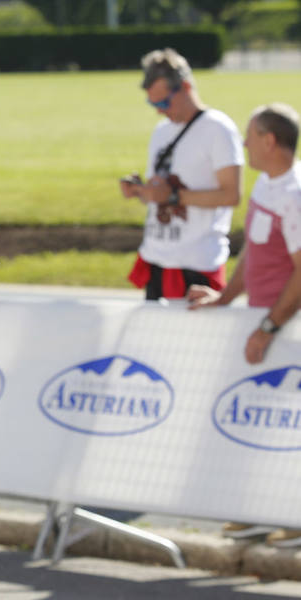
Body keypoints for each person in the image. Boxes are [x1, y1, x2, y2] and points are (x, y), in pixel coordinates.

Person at [187, 103, 301, 547]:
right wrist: (225, 298)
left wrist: (269, 327)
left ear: (270, 141)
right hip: (265, 321)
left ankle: (294, 517)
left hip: (285, 329)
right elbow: (253, 253)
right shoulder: (267, 186)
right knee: (264, 422)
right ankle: (260, 510)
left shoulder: (293, 194)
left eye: (251, 136)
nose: (245, 144)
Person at [119, 48, 244, 300]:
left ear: (185, 87)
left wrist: (174, 196)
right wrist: (141, 192)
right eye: (153, 104)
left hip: (196, 264)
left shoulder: (218, 128)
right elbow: (160, 193)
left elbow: (231, 195)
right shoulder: (162, 131)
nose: (159, 110)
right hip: (157, 258)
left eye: (164, 102)